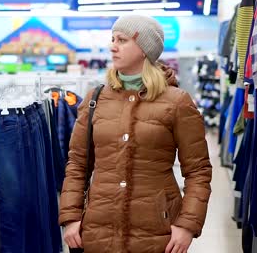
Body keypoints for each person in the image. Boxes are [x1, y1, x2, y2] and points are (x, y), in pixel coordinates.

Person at [59, 15, 212, 253]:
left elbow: (198, 171)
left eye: (122, 39)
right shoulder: (95, 99)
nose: (112, 46)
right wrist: (70, 216)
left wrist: (187, 224)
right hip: (98, 229)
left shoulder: (177, 102)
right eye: (112, 39)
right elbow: (78, 164)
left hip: (156, 231)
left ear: (144, 49)